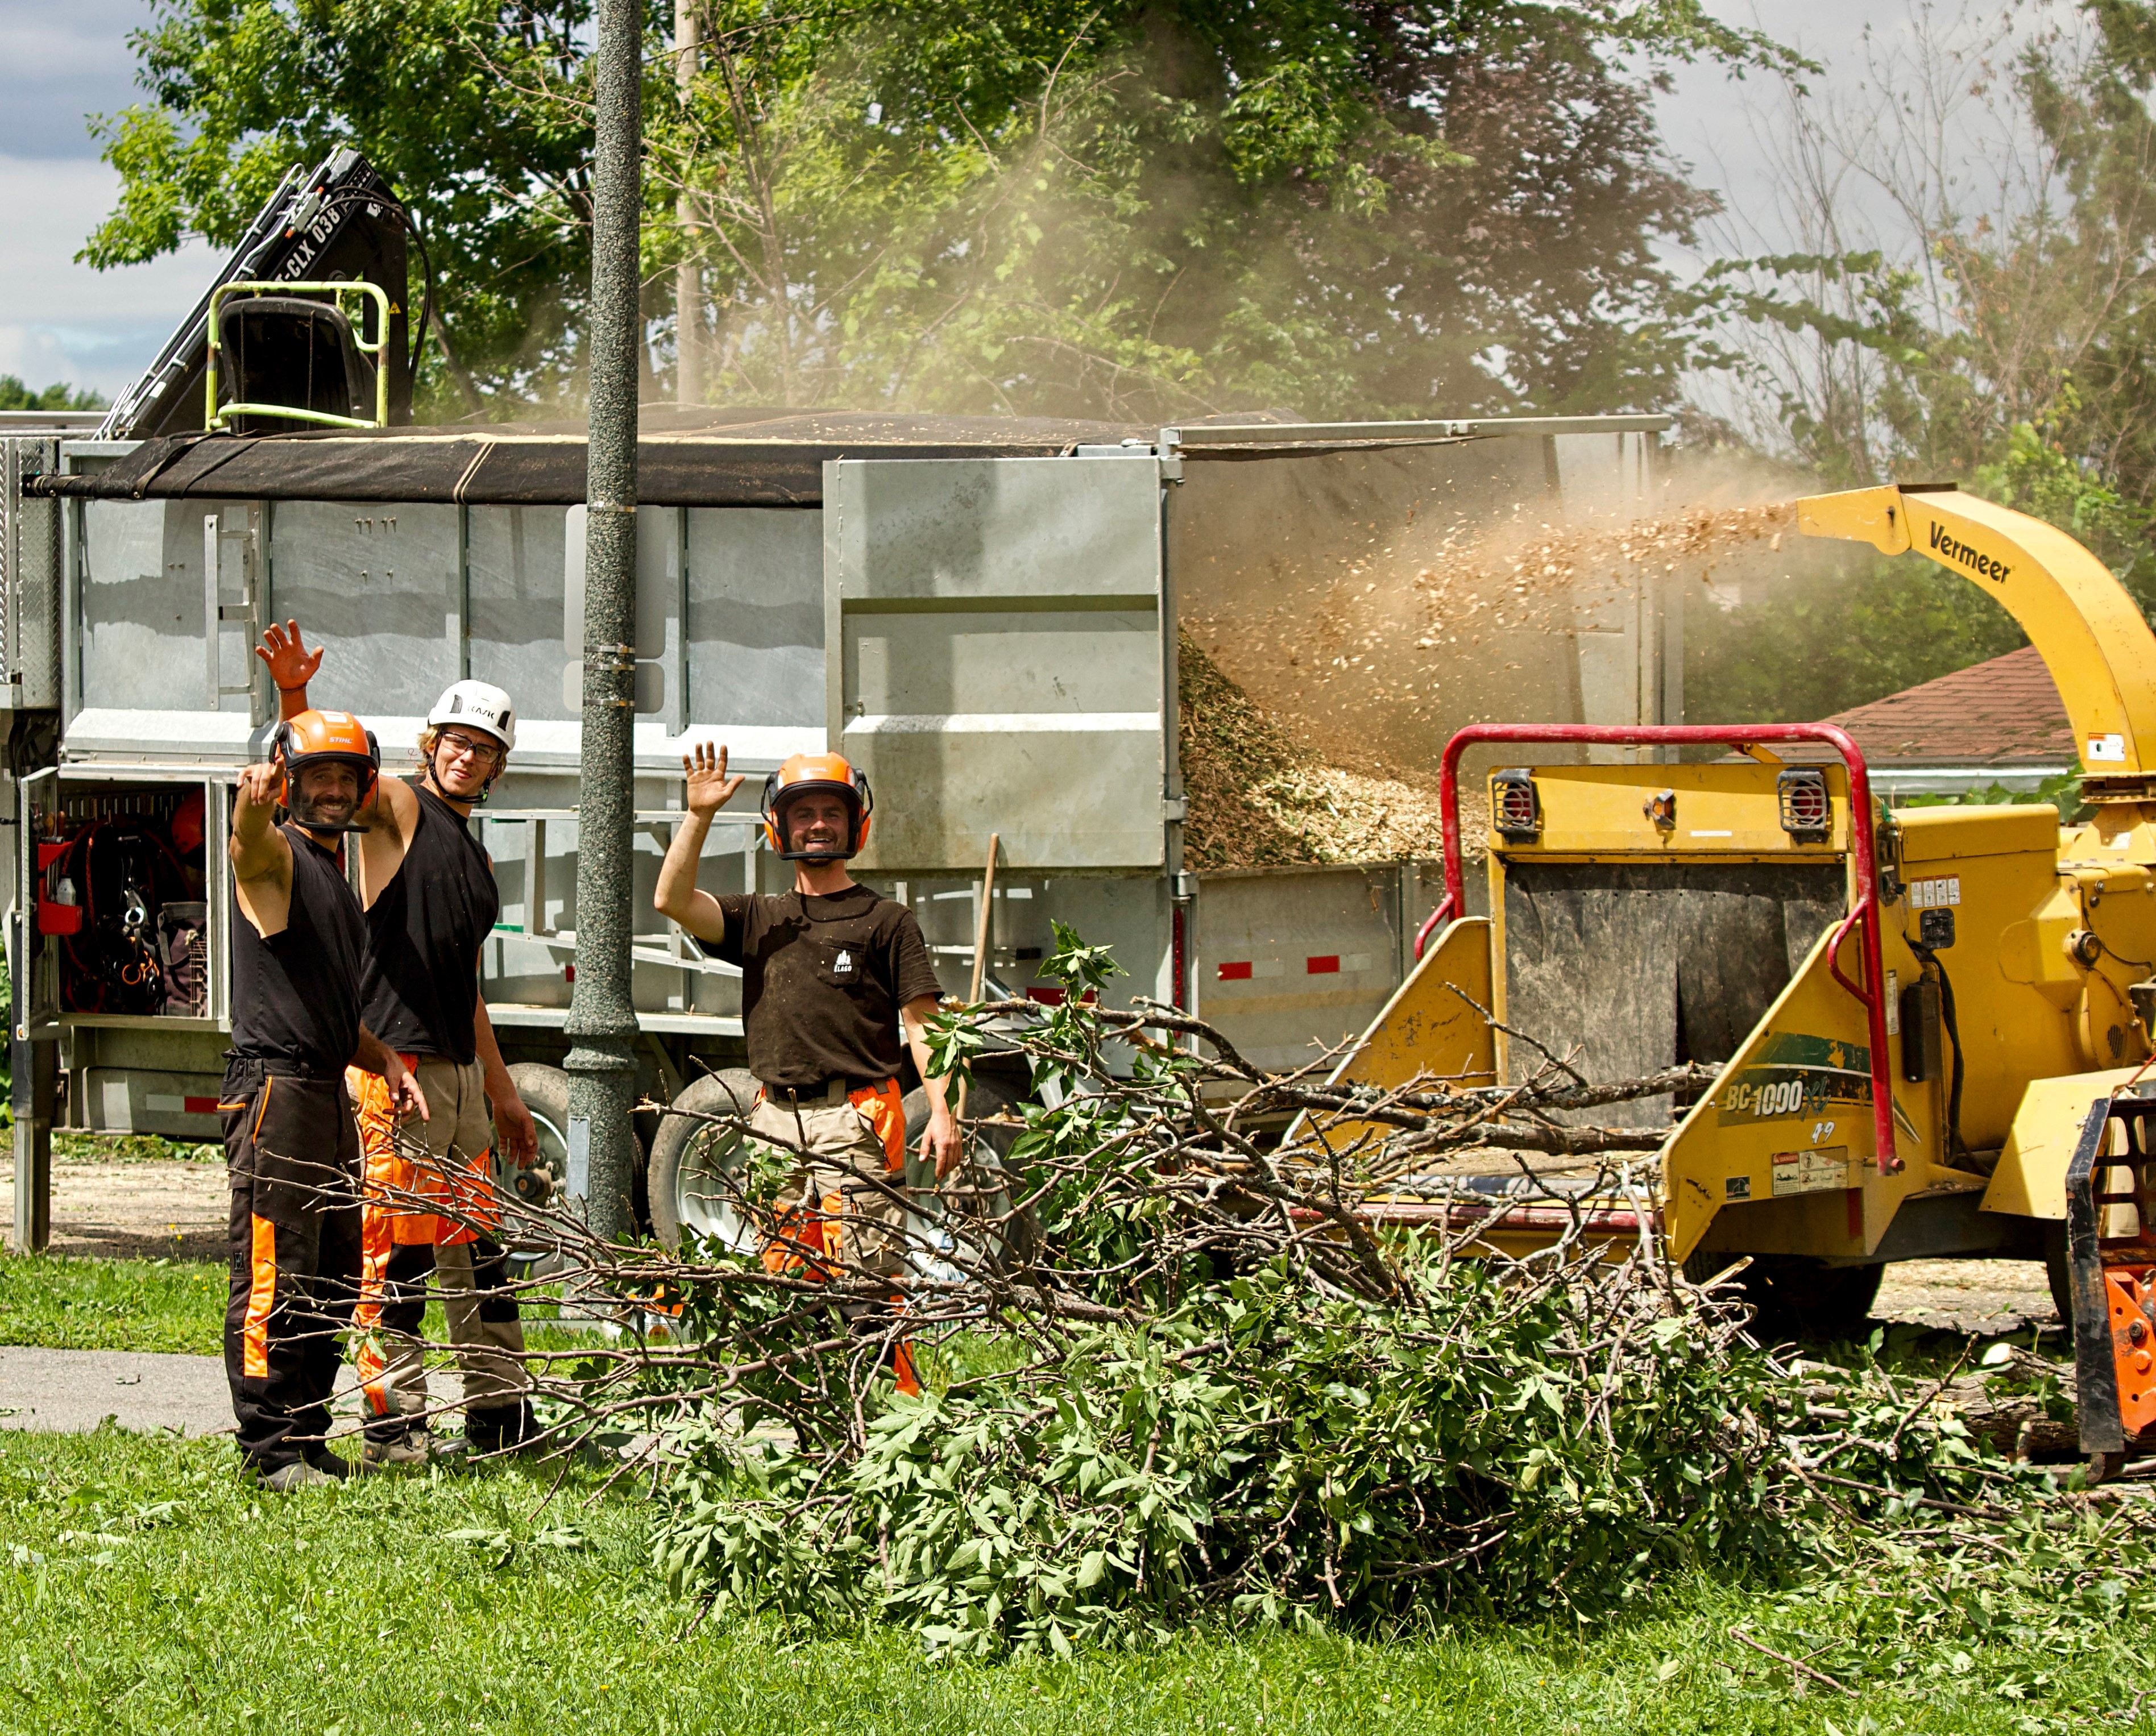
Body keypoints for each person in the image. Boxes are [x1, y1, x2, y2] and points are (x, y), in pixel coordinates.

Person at [256, 622, 542, 1464]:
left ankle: (500, 1411)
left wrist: (503, 1090)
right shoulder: (403, 809)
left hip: (456, 1072)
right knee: (396, 1253)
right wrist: (294, 698)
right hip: (399, 1072)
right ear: (431, 744)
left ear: (497, 765)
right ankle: (393, 1425)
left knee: (479, 1252)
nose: (466, 755)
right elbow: (325, 783)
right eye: (455, 739)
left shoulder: (476, 857)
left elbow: (471, 987)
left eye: (484, 747)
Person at [652, 745, 961, 1384]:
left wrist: (944, 1110)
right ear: (778, 827)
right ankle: (807, 1422)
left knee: (870, 1288)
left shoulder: (887, 921)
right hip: (773, 1122)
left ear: (856, 826)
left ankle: (891, 1426)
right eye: (803, 813)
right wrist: (699, 817)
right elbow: (672, 900)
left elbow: (924, 1023)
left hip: (857, 1119)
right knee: (783, 1283)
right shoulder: (759, 918)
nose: (818, 824)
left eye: (831, 812)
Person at [223, 708, 426, 1490]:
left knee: (335, 1270)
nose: (333, 791)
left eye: (345, 778)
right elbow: (249, 845)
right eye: (317, 779)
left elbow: (333, 1007)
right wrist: (253, 800)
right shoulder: (275, 858)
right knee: (276, 1269)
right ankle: (267, 1445)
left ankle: (307, 1431)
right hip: (275, 1087)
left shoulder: (333, 874)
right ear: (289, 786)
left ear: (364, 785)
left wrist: (386, 1060)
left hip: (326, 1084)